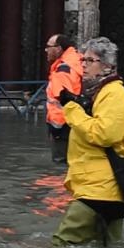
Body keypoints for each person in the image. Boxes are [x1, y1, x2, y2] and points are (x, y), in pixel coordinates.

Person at [53, 36, 124, 247]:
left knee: (62, 245)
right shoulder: (98, 92)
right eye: (83, 60)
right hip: (102, 187)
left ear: (107, 65)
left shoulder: (114, 93)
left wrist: (71, 110)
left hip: (100, 189)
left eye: (90, 61)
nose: (83, 65)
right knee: (106, 247)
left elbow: (104, 134)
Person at [44, 31, 85, 165]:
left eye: (48, 47)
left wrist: (56, 128)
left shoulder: (63, 69)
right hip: (76, 122)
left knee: (61, 164)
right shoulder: (78, 62)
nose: (46, 50)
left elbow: (63, 98)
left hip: (62, 125)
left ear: (58, 48)